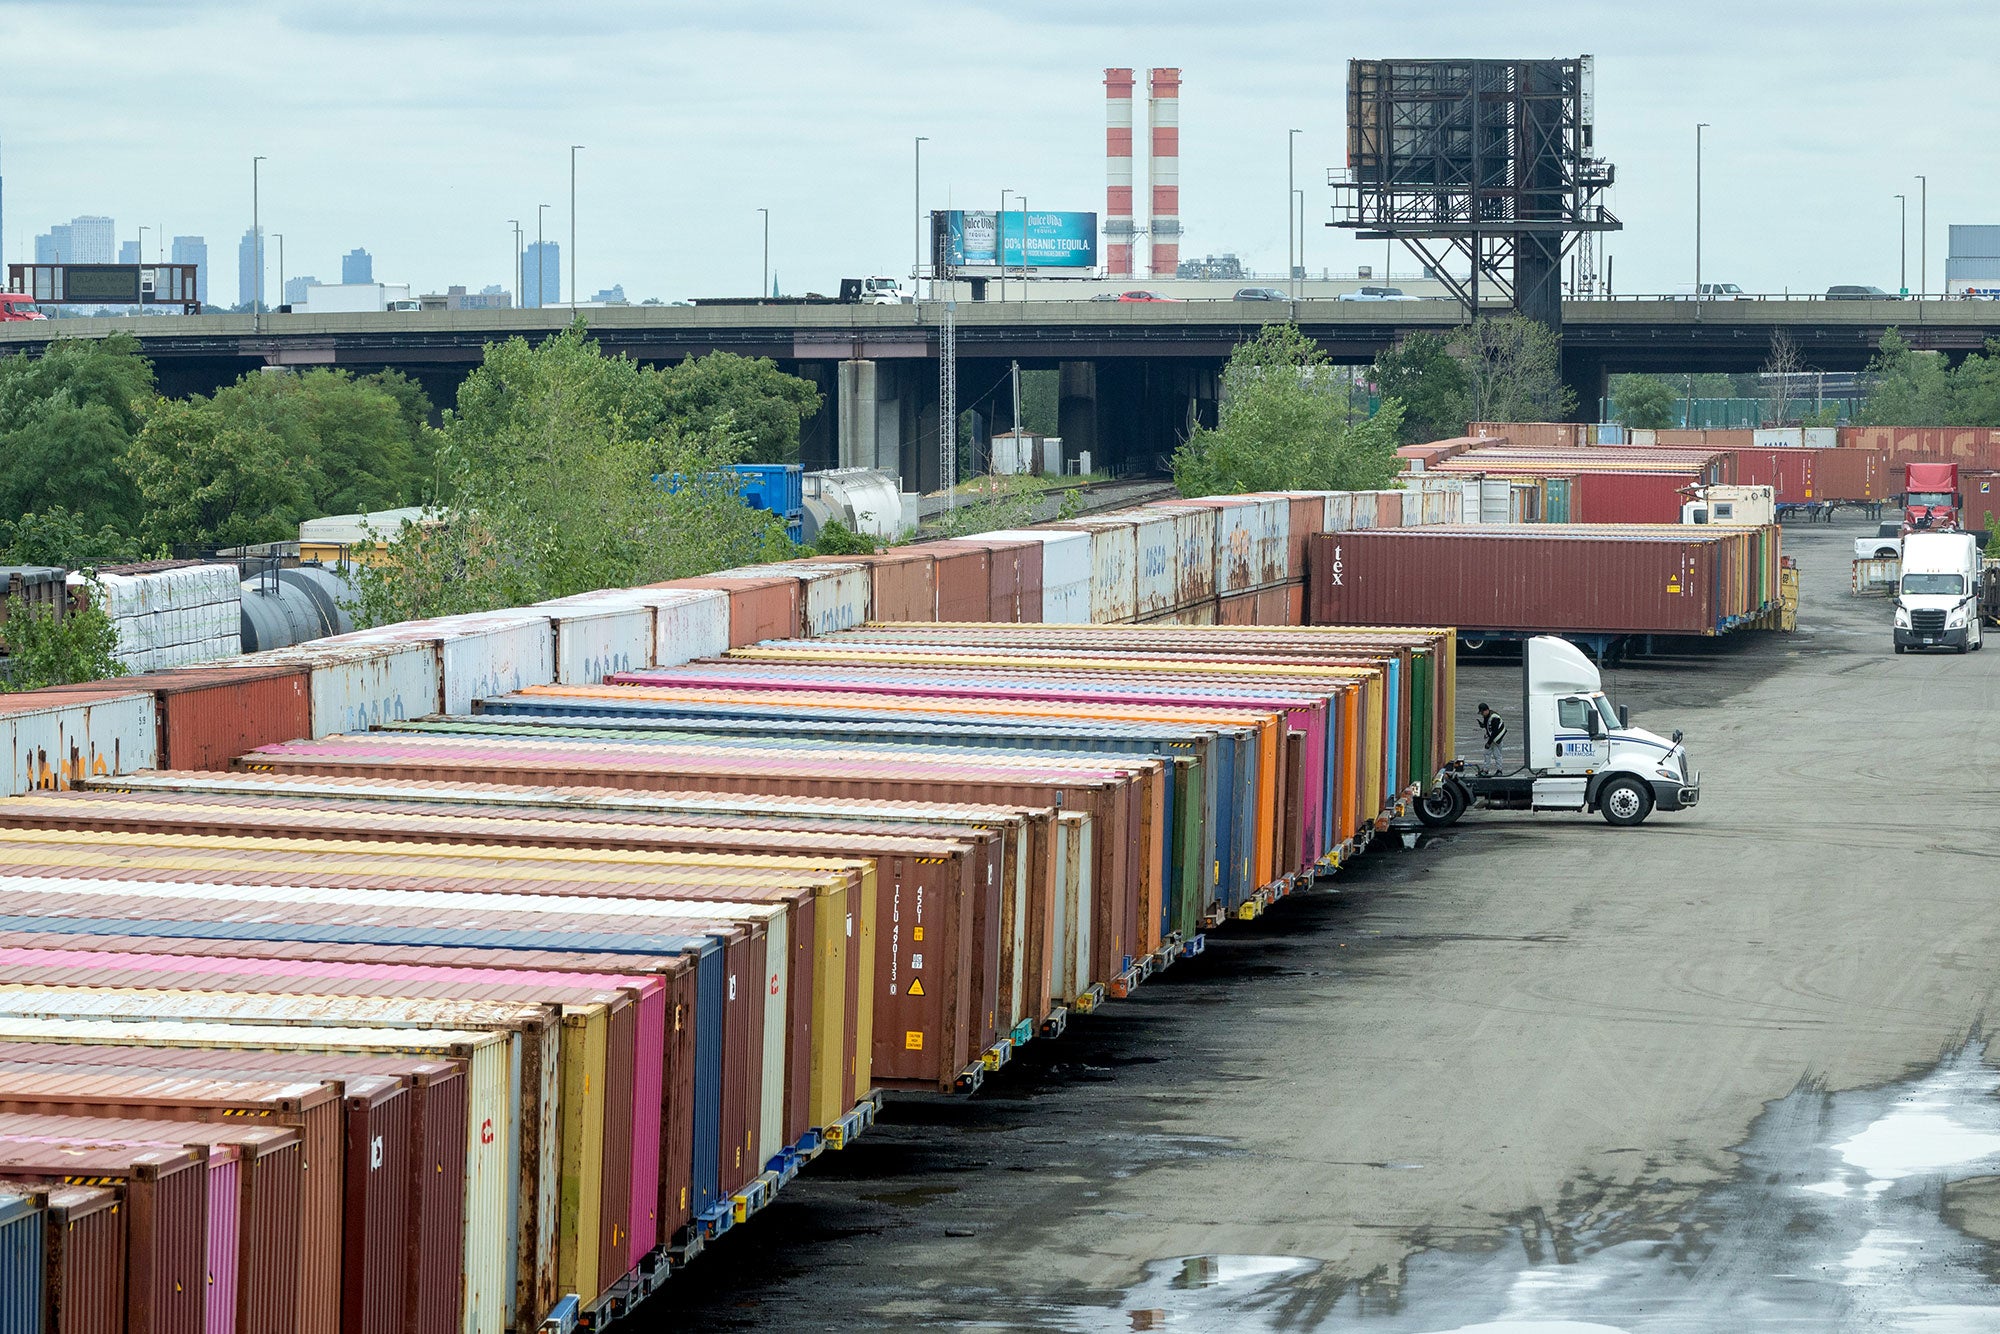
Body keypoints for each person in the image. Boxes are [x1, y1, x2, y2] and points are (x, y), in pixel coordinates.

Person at [1478, 703, 1507, 775]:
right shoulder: (1487, 716)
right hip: (1492, 738)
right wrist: (1483, 725)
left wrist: (1489, 742)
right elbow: (1488, 726)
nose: (1482, 714)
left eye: (1482, 712)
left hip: (1497, 739)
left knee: (1497, 755)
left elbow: (1495, 731)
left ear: (1487, 710)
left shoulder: (1494, 718)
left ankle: (1499, 770)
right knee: (1486, 753)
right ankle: (1485, 770)